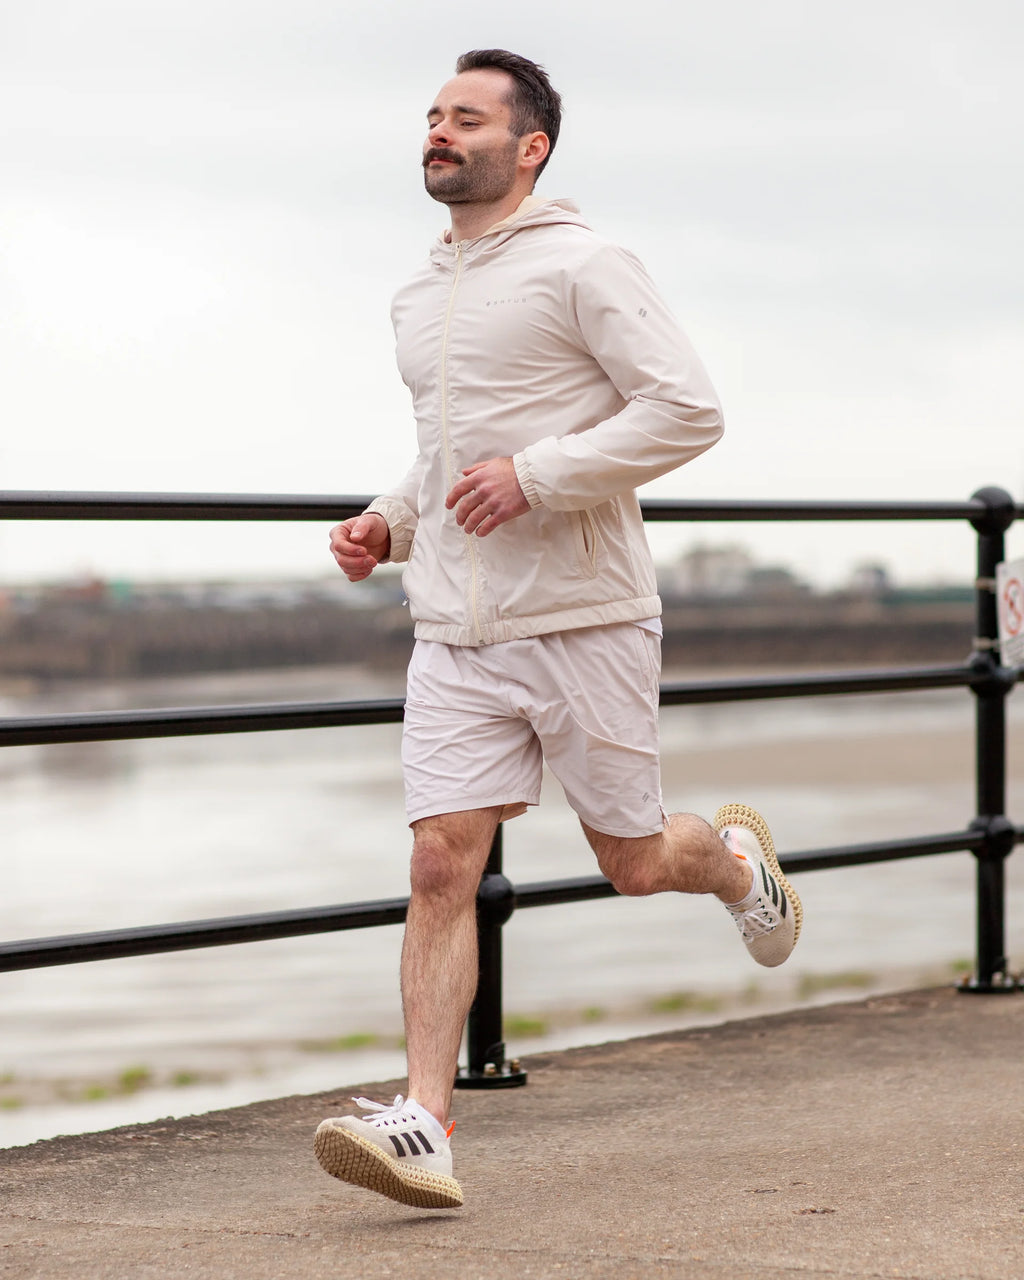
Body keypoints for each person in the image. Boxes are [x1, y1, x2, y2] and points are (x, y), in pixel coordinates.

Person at [314, 49, 802, 1211]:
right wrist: (390, 520)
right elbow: (444, 452)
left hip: (584, 615)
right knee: (439, 861)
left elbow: (686, 409)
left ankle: (735, 864)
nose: (439, 133)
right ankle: (424, 1119)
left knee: (631, 862)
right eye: (433, 116)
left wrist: (537, 476)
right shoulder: (415, 292)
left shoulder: (587, 264)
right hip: (454, 628)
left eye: (466, 120)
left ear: (528, 147)